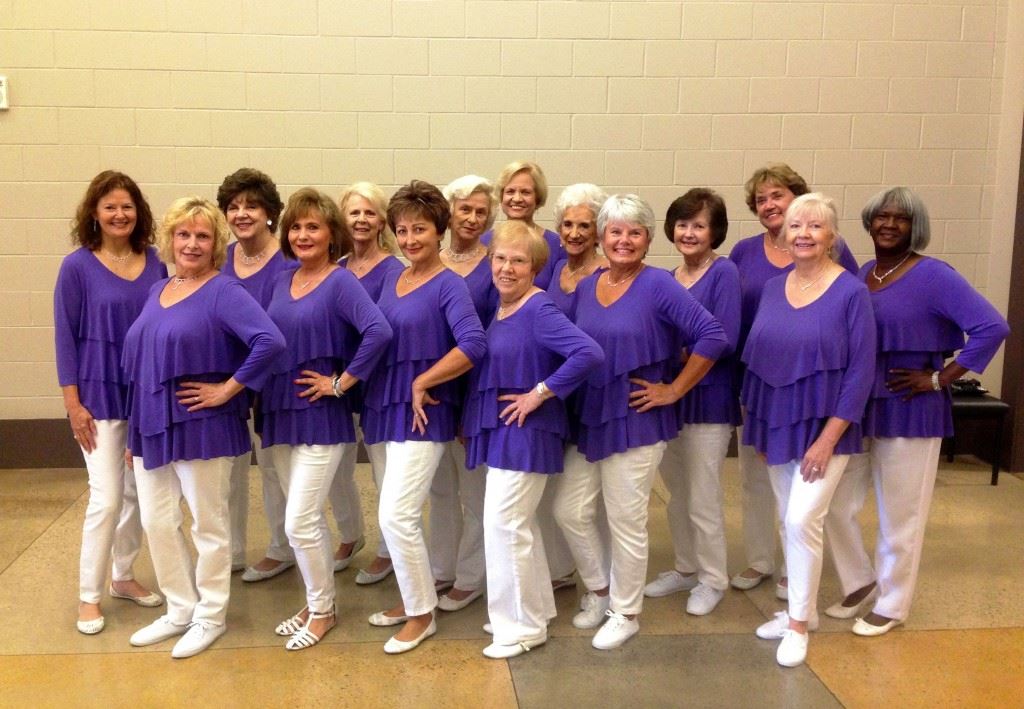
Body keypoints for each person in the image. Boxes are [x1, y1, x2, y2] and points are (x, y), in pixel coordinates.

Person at [822, 187, 1009, 635]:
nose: (888, 224)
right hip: (859, 405)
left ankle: (893, 602)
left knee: (900, 514)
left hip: (911, 408)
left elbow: (992, 326)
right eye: (880, 217)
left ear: (915, 227)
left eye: (900, 218)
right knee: (832, 503)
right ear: (868, 223)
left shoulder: (935, 276)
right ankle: (860, 581)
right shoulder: (865, 272)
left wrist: (939, 378)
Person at [553, 194, 728, 650]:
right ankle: (599, 589)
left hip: (637, 418)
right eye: (615, 231)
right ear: (602, 237)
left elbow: (713, 335)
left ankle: (626, 612)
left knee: (626, 519)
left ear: (648, 240)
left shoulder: (659, 285)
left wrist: (674, 389)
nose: (623, 240)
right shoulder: (590, 285)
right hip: (590, 415)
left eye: (634, 232)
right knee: (569, 510)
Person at [122, 197, 285, 658]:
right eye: (183, 234)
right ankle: (179, 608)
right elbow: (144, 363)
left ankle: (210, 615)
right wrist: (134, 433)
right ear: (169, 239)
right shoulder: (160, 289)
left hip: (204, 425)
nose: (191, 244)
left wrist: (227, 389)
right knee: (158, 520)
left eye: (202, 236)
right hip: (153, 424)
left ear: (216, 244)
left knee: (209, 526)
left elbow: (269, 341)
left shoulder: (225, 291)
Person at [743, 193, 876, 668]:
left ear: (831, 237)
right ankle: (802, 611)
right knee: (787, 519)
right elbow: (762, 358)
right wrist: (760, 426)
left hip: (827, 427)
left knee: (803, 520)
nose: (802, 234)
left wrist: (827, 438)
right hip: (777, 421)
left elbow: (861, 372)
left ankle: (798, 625)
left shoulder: (851, 292)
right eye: (795, 226)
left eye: (814, 227)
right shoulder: (774, 289)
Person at [463, 221, 603, 658]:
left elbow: (588, 353)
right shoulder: (502, 309)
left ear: (535, 267)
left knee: (504, 527)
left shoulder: (539, 309)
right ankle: (534, 611)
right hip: (505, 430)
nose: (507, 268)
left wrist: (540, 393)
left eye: (518, 260)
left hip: (527, 432)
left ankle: (522, 628)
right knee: (515, 527)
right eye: (500, 258)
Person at [262, 188, 392, 650]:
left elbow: (379, 330)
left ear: (332, 233)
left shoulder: (341, 282)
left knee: (300, 519)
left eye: (313, 226)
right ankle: (317, 600)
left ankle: (323, 611)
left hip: (321, 415)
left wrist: (342, 382)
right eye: (295, 226)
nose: (302, 234)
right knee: (304, 520)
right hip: (278, 411)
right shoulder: (281, 280)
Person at [363, 181, 486, 654]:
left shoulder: (449, 284)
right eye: (402, 231)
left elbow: (473, 344)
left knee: (396, 514)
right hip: (387, 406)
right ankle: (418, 592)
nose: (411, 239)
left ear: (440, 230)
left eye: (420, 229)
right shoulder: (395, 278)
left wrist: (423, 381)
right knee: (404, 512)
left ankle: (421, 614)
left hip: (423, 412)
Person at [728, 163, 858, 600]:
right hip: (763, 386)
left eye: (777, 195)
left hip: (818, 390)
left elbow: (854, 331)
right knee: (758, 482)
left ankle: (796, 575)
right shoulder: (745, 254)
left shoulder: (841, 272)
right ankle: (763, 559)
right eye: (761, 199)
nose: (770, 205)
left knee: (805, 507)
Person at [55, 171, 166, 635]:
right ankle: (88, 596)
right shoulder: (77, 266)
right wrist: (73, 405)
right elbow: (65, 337)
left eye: (127, 206)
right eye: (110, 207)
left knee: (139, 496)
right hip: (97, 397)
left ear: (137, 212)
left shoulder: (158, 262)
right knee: (105, 498)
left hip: (144, 395)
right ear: (95, 215)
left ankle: (123, 575)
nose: (120, 214)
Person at [644, 188, 740, 617]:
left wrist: (667, 357)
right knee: (677, 494)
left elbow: (722, 339)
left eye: (699, 225)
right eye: (682, 224)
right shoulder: (666, 278)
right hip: (667, 404)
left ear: (714, 231)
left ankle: (712, 578)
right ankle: (685, 567)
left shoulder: (725, 274)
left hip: (707, 403)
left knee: (703, 496)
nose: (689, 232)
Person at [215, 168, 296, 584]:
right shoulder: (219, 259)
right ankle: (230, 551)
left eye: (251, 205)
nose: (242, 213)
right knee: (226, 469)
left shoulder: (289, 260)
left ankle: (282, 548)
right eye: (234, 206)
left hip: (276, 377)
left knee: (271, 466)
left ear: (270, 213)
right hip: (227, 378)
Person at [427, 175, 500, 612]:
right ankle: (441, 567)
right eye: (464, 209)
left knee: (475, 494)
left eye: (480, 211)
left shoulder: (495, 264)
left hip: (474, 390)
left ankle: (472, 575)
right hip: (433, 392)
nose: (472, 218)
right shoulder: (429, 258)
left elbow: (491, 337)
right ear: (449, 212)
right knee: (438, 491)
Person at [328, 182, 404, 583]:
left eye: (369, 213)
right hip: (335, 383)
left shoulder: (394, 269)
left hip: (375, 381)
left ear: (381, 222)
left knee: (382, 470)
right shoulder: (335, 267)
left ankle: (389, 549)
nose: (360, 220)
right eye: (353, 212)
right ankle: (350, 534)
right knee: (336, 468)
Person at [543, 183, 610, 590]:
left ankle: (607, 583)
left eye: (584, 225)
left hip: (596, 395)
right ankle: (570, 568)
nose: (574, 233)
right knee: (565, 498)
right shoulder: (557, 270)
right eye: (567, 224)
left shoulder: (606, 272)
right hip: (560, 396)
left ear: (599, 230)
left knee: (591, 503)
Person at [481, 160, 565, 289]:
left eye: (525, 192)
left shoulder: (556, 245)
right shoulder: (484, 241)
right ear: (501, 196)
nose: (517, 198)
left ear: (537, 197)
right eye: (510, 191)